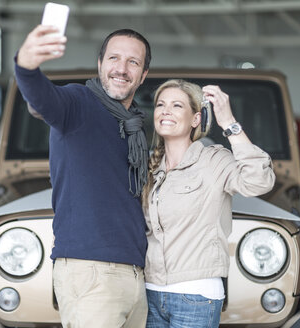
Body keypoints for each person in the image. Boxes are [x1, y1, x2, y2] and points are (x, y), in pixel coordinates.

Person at [15, 25, 152, 328]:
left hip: (134, 273)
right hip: (90, 271)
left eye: (133, 62)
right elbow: (41, 99)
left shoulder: (134, 128)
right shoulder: (77, 103)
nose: (122, 68)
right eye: (114, 58)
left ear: (143, 76)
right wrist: (26, 64)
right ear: (100, 65)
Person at [142, 79, 276, 327]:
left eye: (177, 105)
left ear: (196, 119)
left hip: (195, 295)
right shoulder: (150, 167)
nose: (165, 111)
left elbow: (260, 181)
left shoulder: (213, 160)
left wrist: (229, 123)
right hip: (150, 292)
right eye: (161, 104)